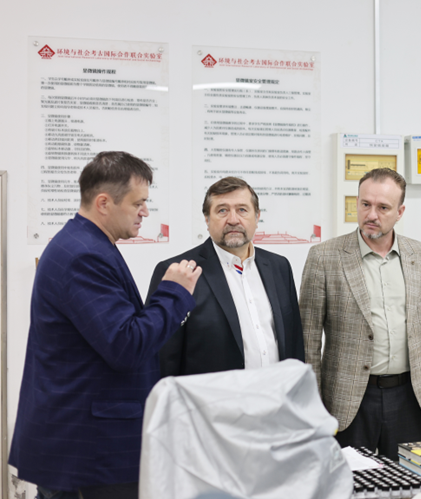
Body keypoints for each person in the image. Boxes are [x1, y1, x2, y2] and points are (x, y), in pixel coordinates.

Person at [9, 152, 201, 499]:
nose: (145, 212)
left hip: (87, 448)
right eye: (138, 203)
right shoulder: (83, 255)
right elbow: (126, 345)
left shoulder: (87, 244)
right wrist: (174, 293)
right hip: (90, 455)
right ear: (103, 203)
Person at [300, 168, 421, 460]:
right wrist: (312, 408)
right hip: (347, 400)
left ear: (400, 212)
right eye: (365, 204)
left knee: (407, 482)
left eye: (383, 208)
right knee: (347, 480)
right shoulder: (324, 257)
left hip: (409, 399)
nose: (371, 215)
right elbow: (308, 341)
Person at [147, 176, 304, 377]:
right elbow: (163, 356)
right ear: (207, 219)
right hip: (210, 397)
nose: (233, 220)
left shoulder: (279, 267)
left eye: (242, 210)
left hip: (277, 393)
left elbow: (294, 343)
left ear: (257, 217)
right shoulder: (178, 271)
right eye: (222, 210)